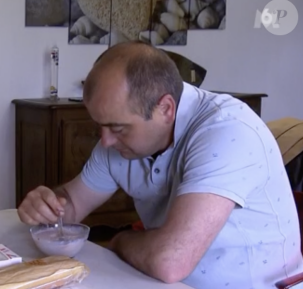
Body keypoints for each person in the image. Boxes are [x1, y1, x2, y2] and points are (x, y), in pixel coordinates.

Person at [17, 41, 303, 288]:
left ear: (165, 108)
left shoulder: (228, 131)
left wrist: (119, 241)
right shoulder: (117, 141)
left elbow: (170, 261)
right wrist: (49, 205)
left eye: (117, 127)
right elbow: (73, 206)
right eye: (99, 126)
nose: (104, 141)